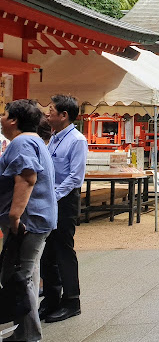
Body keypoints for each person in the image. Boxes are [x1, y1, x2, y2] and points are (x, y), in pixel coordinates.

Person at [0, 99, 57, 341]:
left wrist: (14, 217)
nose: (1, 118)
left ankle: (28, 334)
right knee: (28, 274)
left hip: (28, 221)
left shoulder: (22, 141)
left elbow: (27, 178)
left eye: (4, 113)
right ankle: (26, 331)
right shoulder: (33, 140)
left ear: (14, 119)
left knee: (20, 277)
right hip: (37, 219)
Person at [38, 95, 87, 323]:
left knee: (64, 250)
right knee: (47, 253)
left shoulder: (77, 140)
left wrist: (53, 195)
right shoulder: (54, 138)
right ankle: (50, 299)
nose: (47, 114)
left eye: (51, 110)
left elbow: (75, 177)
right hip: (51, 199)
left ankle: (72, 301)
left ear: (64, 115)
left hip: (65, 201)